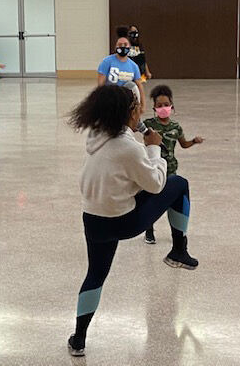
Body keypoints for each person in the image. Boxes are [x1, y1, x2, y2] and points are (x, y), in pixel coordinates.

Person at [67, 85, 198, 357]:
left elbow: (122, 152)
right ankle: (178, 250)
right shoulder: (128, 148)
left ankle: (78, 339)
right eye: (136, 108)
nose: (141, 111)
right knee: (178, 183)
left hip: (92, 219)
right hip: (123, 221)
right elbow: (155, 184)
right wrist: (154, 149)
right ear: (127, 113)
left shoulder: (96, 135)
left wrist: (138, 130)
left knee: (95, 275)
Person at [142, 85, 204, 244]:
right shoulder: (149, 124)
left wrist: (194, 142)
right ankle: (149, 231)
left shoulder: (176, 127)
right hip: (152, 169)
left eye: (166, 105)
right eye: (159, 105)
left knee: (174, 201)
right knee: (150, 200)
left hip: (171, 169)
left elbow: (183, 144)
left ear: (172, 106)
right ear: (154, 108)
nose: (163, 108)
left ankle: (177, 232)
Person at [97, 28, 145, 110]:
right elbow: (100, 84)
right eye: (120, 44)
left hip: (127, 102)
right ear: (116, 46)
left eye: (125, 44)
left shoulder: (133, 66)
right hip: (111, 100)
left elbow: (139, 86)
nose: (122, 47)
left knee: (131, 85)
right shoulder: (107, 61)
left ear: (129, 46)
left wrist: (142, 105)